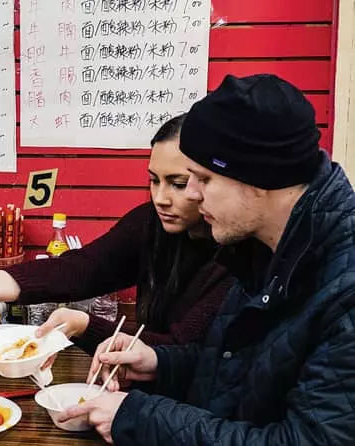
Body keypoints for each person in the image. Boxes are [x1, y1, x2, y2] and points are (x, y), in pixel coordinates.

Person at [57, 74, 355, 444]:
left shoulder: (344, 289)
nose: (193, 196)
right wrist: (158, 363)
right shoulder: (269, 250)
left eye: (203, 179)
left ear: (259, 178)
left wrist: (140, 417)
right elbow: (240, 370)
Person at [0, 114, 233, 356]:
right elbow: (83, 268)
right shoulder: (151, 223)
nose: (161, 197)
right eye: (154, 181)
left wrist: (86, 326)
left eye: (177, 183)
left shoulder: (237, 255)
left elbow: (181, 351)